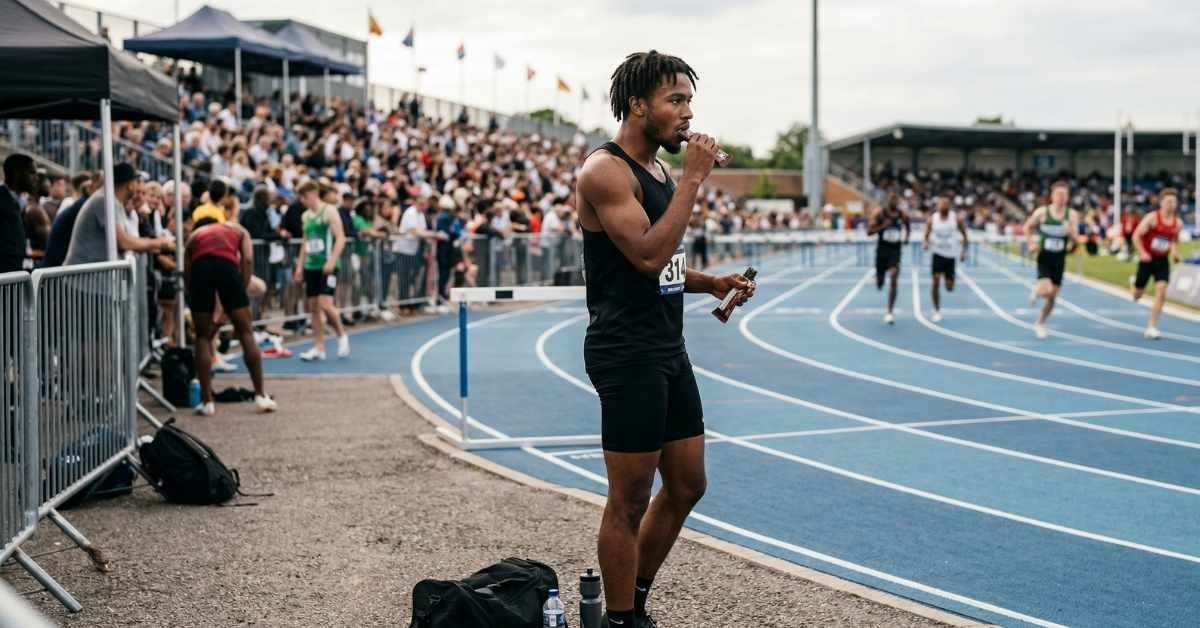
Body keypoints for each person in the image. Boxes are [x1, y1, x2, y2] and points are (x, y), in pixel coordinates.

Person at [574, 50, 756, 628]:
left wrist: (709, 283)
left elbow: (663, 265)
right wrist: (696, 179)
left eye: (688, 100)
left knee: (687, 484)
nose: (687, 112)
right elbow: (649, 256)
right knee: (629, 496)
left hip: (665, 346)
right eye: (675, 100)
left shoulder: (657, 170)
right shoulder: (605, 170)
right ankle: (620, 619)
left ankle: (635, 600)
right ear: (637, 105)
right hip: (624, 351)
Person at [184, 204, 276, 416]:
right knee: (245, 331)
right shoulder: (237, 229)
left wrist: (194, 296)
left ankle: (207, 402)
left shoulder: (195, 235)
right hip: (227, 267)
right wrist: (241, 288)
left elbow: (187, 269)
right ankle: (260, 395)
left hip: (200, 270)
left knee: (202, 337)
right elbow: (248, 259)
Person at [64, 163, 171, 266]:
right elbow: (124, 242)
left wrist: (151, 243)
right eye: (136, 182)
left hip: (89, 279)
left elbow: (126, 239)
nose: (138, 186)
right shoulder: (104, 200)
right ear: (130, 185)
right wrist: (157, 243)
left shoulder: (114, 202)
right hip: (80, 281)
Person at [293, 181, 350, 361]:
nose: (302, 200)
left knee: (325, 304)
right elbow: (305, 243)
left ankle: (342, 335)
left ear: (313, 193)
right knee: (314, 308)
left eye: (305, 196)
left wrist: (332, 260)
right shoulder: (305, 216)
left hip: (328, 266)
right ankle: (319, 347)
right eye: (300, 197)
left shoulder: (329, 211)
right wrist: (300, 266)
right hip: (311, 266)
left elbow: (341, 238)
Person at [1023, 180, 1078, 339]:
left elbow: (1076, 239)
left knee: (1052, 297)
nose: (1062, 198)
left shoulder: (1072, 215)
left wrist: (1071, 234)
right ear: (1052, 196)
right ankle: (1037, 290)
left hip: (1059, 258)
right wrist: (1032, 243)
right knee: (1046, 289)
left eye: (1065, 195)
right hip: (1044, 256)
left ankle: (1040, 322)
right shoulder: (1042, 212)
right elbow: (1027, 227)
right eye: (1059, 194)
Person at [1130, 188, 1183, 339]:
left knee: (1161, 289)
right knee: (1137, 295)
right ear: (1161, 203)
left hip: (1162, 261)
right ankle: (1134, 285)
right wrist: (1142, 252)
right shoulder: (1151, 218)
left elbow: (1174, 239)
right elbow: (1136, 236)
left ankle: (1151, 327)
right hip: (1147, 259)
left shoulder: (1177, 223)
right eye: (1168, 201)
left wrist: (1175, 252)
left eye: (1174, 201)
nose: (1171, 204)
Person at [923, 192, 967, 322]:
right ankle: (936, 310)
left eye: (946, 205)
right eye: (941, 205)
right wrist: (925, 242)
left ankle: (949, 279)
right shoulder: (933, 219)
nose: (943, 207)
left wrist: (963, 252)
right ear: (938, 206)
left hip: (951, 255)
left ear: (949, 207)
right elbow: (926, 234)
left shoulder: (956, 219)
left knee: (949, 288)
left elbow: (965, 235)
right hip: (937, 254)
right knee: (935, 282)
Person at [866, 193, 909, 324]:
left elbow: (908, 225)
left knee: (894, 276)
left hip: (895, 250)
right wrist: (883, 226)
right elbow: (869, 232)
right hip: (882, 251)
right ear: (888, 201)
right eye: (892, 200)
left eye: (897, 200)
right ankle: (879, 278)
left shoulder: (902, 214)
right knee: (880, 283)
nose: (895, 202)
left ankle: (890, 312)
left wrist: (907, 237)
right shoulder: (879, 214)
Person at [1, 154, 38, 273]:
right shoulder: (2, 201)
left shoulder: (16, 201)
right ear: (18, 174)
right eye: (31, 173)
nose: (36, 178)